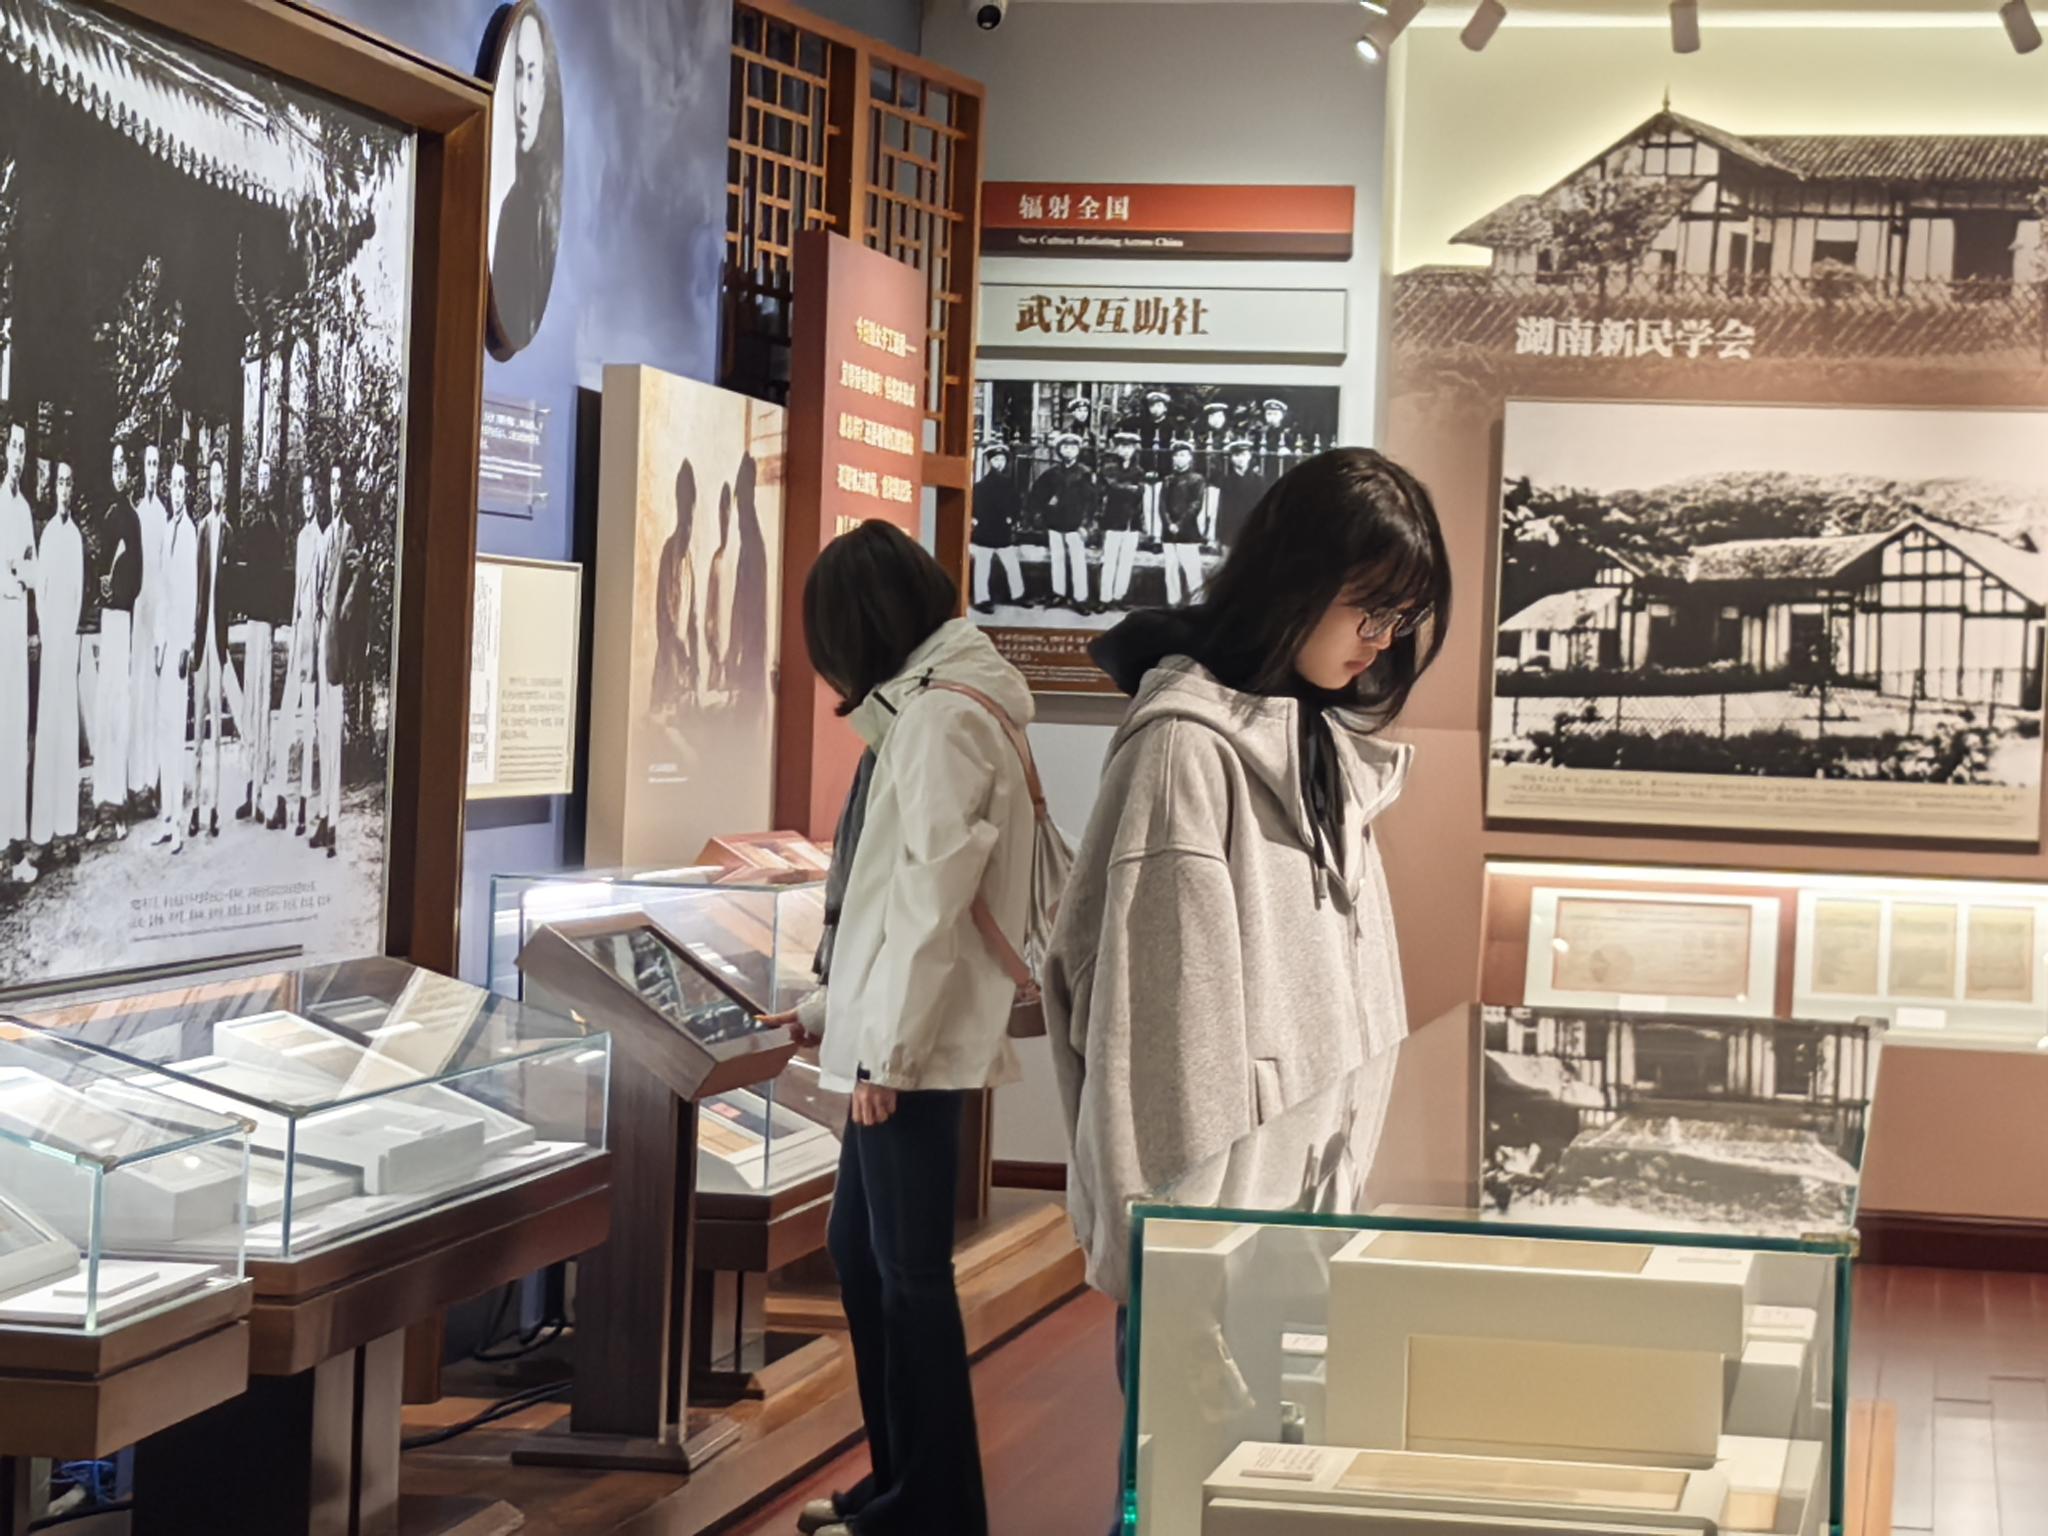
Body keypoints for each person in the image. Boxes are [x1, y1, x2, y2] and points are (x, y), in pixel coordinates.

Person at [1042, 449, 1451, 1533]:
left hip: (1290, 1235)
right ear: (1292, 579)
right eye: (1370, 608)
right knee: (1188, 1502)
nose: (1383, 641)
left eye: (1402, 617)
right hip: (1213, 1254)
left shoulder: (1313, 740)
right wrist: (1175, 1270)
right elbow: (1160, 1048)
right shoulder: (1187, 751)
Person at [775, 521, 1035, 1536]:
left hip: (910, 1044)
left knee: (907, 1275)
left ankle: (932, 1505)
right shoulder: (937, 703)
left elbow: (927, 903)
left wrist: (886, 1051)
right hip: (897, 1030)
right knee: (865, 1254)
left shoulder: (938, 720)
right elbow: (896, 900)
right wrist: (828, 1012)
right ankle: (902, 1486)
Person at [491, 5, 562, 353]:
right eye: (518, 73)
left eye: (532, 76)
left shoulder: (542, 209)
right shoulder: (513, 206)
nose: (521, 100)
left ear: (544, 91)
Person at [28, 454, 84, 869]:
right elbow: (40, 596)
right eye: (59, 483)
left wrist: (68, 639)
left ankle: (67, 832)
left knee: (67, 739)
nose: (64, 489)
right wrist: (49, 639)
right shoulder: (47, 536)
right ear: (54, 490)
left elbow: (78, 595)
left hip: (69, 646)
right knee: (47, 739)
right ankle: (43, 835)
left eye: (69, 483)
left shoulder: (75, 538)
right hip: (52, 650)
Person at [232, 456, 288, 824]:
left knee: (263, 708)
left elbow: (277, 576)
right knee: (250, 708)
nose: (263, 481)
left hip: (266, 624)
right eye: (260, 476)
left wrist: (274, 618)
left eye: (268, 476)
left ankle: (266, 795)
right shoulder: (251, 523)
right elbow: (245, 571)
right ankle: (249, 791)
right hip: (252, 621)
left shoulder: (276, 525)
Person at [94, 440, 141, 842]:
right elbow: (98, 564)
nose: (119, 471)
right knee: (104, 708)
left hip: (124, 620)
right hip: (107, 621)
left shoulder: (133, 519)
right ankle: (102, 807)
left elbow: (137, 575)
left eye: (123, 465)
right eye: (114, 465)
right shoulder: (106, 516)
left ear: (130, 472)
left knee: (121, 711)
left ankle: (120, 804)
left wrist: (120, 592)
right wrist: (103, 586)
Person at [313, 465, 360, 858]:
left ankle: (333, 826)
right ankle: (322, 817)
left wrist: (345, 607)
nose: (335, 490)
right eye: (331, 483)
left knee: (334, 738)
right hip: (320, 643)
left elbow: (359, 572)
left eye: (340, 483)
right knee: (323, 734)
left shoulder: (347, 534)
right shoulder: (326, 534)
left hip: (336, 649)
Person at [154, 458, 198, 855]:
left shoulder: (189, 532)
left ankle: (179, 825)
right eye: (174, 484)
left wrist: (186, 644)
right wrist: (159, 642)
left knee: (176, 736)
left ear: (188, 490)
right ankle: (166, 819)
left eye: (183, 484)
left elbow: (189, 594)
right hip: (164, 646)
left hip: (180, 648)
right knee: (164, 728)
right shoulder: (167, 529)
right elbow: (162, 592)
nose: (177, 490)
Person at [275, 468, 322, 835]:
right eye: (302, 495)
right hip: (297, 638)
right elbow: (295, 593)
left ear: (318, 498)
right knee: (286, 720)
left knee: (307, 724)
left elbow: (318, 600)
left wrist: (315, 647)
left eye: (311, 494)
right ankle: (280, 801)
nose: (306, 501)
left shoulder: (322, 539)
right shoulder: (302, 538)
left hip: (313, 642)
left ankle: (304, 806)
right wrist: (291, 631)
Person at [0, 421, 36, 883]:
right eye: (13, 445)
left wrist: (20, 571)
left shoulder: (25, 509)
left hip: (17, 628)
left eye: (23, 448)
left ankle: (13, 849)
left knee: (16, 737)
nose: (18, 454)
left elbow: (31, 565)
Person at [191, 453, 233, 840]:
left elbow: (232, 590)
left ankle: (215, 807)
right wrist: (194, 635)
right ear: (208, 485)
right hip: (200, 639)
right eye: (213, 479)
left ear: (225, 486)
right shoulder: (202, 529)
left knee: (218, 730)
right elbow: (196, 588)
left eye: (222, 479)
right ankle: (194, 808)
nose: (217, 485)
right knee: (199, 730)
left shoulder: (229, 533)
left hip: (218, 642)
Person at [127, 442, 168, 821]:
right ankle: (136, 782)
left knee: (156, 701)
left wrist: (162, 629)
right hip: (139, 614)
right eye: (148, 464)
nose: (152, 470)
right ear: (142, 470)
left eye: (157, 464)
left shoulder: (164, 516)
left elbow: (164, 576)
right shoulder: (137, 513)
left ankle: (153, 782)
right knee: (137, 698)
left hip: (157, 616)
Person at [1027, 431, 1095, 613]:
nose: (1069, 450)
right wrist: (1041, 513)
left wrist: (1085, 524)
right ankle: (1059, 593)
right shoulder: (1052, 473)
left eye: (1073, 447)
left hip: (1075, 525)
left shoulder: (1085, 473)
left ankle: (1080, 598)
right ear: (1059, 450)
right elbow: (1037, 494)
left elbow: (1091, 501)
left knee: (1078, 561)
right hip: (1055, 523)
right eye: (1065, 447)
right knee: (1057, 558)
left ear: (1078, 450)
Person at [652, 458, 700, 714]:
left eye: (691, 504)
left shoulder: (689, 559)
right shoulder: (669, 552)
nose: (688, 514)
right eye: (684, 503)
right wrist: (680, 653)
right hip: (669, 665)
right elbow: (666, 616)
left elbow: (693, 617)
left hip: (684, 670)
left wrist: (696, 663)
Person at [967, 442, 1024, 613]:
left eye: (1002, 460)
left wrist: (1013, 518)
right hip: (985, 531)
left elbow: (1016, 504)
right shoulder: (980, 486)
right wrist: (975, 520)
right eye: (995, 460)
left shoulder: (1009, 485)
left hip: (1002, 531)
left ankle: (1018, 595)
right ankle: (982, 599)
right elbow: (974, 507)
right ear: (989, 462)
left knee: (1011, 564)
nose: (999, 463)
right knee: (983, 567)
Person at [1097, 431, 1147, 608]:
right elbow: (1111, 488)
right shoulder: (1109, 468)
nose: (1126, 451)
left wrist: (1128, 489)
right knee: (1109, 560)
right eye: (1122, 447)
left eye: (1129, 447)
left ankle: (1120, 596)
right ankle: (1105, 598)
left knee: (1126, 561)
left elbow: (1140, 493)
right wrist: (1129, 488)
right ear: (1117, 448)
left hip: (1132, 521)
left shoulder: (1138, 471)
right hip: (1113, 519)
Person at [1158, 440, 1208, 607]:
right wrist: (1168, 524)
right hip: (1168, 532)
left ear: (1189, 458)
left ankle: (1196, 603)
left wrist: (1179, 524)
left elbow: (1196, 505)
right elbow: (1162, 505)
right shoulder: (1168, 480)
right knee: (1171, 569)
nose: (1180, 458)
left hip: (1187, 531)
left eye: (1183, 455)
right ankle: (1173, 601)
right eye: (1177, 455)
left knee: (1192, 569)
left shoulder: (1197, 479)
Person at [1213, 438, 1267, 551]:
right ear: (1232, 458)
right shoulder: (1226, 481)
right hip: (1230, 532)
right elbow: (1222, 509)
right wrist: (1219, 536)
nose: (1240, 459)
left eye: (1243, 455)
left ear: (1249, 456)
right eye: (1237, 455)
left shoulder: (1259, 480)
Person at [704, 481, 732, 697]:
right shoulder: (717, 559)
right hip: (716, 641)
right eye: (722, 515)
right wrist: (710, 630)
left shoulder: (739, 559)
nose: (724, 521)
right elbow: (710, 604)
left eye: (727, 515)